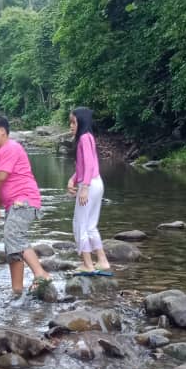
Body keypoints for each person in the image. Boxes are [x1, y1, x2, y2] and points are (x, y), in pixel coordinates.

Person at [0, 113, 53, 295]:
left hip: (25, 200)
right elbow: (2, 184)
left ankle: (41, 274)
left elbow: (1, 177)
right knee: (12, 245)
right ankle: (17, 289)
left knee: (14, 237)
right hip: (14, 203)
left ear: (3, 131)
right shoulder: (1, 154)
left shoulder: (10, 148)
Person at [67, 107, 111, 276]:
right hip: (96, 182)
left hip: (90, 185)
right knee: (91, 226)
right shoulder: (88, 137)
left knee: (80, 225)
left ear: (82, 121)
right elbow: (84, 165)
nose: (71, 126)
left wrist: (84, 187)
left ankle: (87, 264)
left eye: (73, 122)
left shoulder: (84, 138)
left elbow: (90, 165)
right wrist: (73, 179)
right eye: (70, 122)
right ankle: (102, 261)